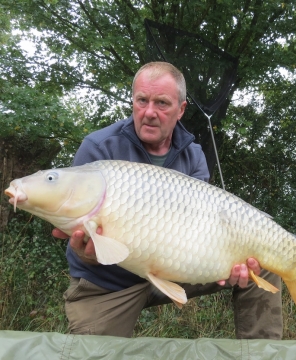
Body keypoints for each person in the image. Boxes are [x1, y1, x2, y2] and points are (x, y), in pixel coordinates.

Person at [53, 62, 283, 339]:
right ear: (133, 101)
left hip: (173, 269)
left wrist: (229, 264)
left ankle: (263, 353)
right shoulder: (99, 149)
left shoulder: (193, 155)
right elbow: (76, 235)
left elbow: (199, 233)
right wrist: (85, 253)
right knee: (91, 353)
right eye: (142, 101)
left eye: (161, 103)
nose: (149, 112)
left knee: (266, 261)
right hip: (108, 283)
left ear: (181, 110)